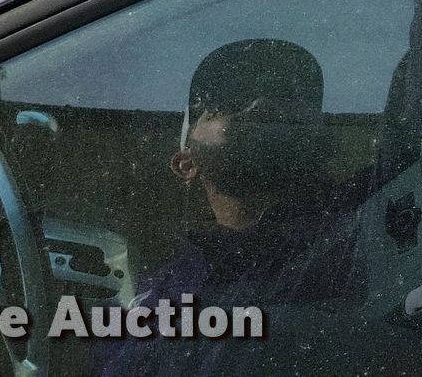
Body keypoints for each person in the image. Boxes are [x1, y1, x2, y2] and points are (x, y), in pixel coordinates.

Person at [95, 39, 361, 377]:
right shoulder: (166, 287)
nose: (259, 104)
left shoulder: (368, 225)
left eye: (284, 99)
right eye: (227, 104)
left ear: (319, 135)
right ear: (186, 164)